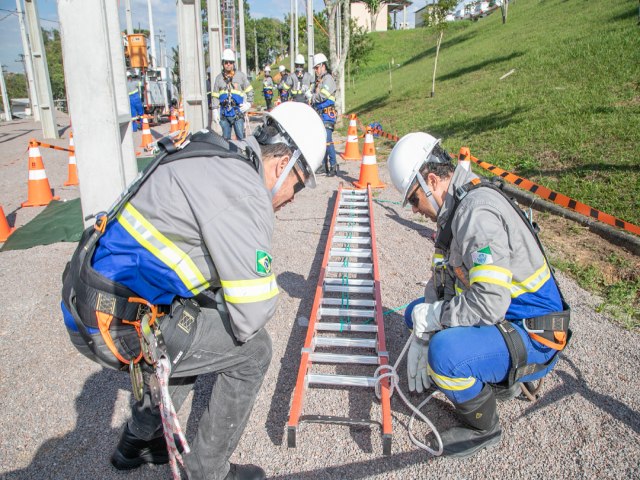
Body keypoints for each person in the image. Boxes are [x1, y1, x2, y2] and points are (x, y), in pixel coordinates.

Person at [60, 102, 327, 480]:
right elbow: (250, 316)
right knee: (253, 350)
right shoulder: (245, 191)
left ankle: (137, 441)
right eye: (298, 183)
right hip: (116, 324)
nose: (294, 196)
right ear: (283, 164)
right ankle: (207, 471)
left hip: (89, 301)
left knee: (191, 330)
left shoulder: (216, 153)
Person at [387, 132, 571, 458]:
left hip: (533, 331)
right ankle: (476, 370)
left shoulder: (476, 214)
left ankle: (483, 427)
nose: (414, 210)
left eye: (414, 199)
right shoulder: (456, 209)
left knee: (444, 353)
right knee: (414, 313)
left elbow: (488, 303)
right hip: (506, 319)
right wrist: (425, 324)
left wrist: (436, 324)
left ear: (432, 180)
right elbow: (441, 284)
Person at [305, 53, 338, 177]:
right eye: (315, 68)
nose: (315, 70)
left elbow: (323, 96)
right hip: (320, 115)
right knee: (321, 141)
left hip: (327, 115)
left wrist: (312, 97)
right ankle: (324, 165)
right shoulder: (320, 81)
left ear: (323, 66)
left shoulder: (328, 79)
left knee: (328, 141)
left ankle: (334, 166)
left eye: (317, 68)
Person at [211, 48, 254, 140]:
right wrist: (214, 110)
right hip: (224, 114)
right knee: (225, 140)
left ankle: (242, 154)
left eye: (230, 62)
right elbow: (215, 95)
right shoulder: (219, 78)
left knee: (241, 139)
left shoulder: (240, 76)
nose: (228, 64)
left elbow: (250, 90)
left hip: (238, 113)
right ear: (223, 63)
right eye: (226, 62)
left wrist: (249, 103)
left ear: (234, 63)